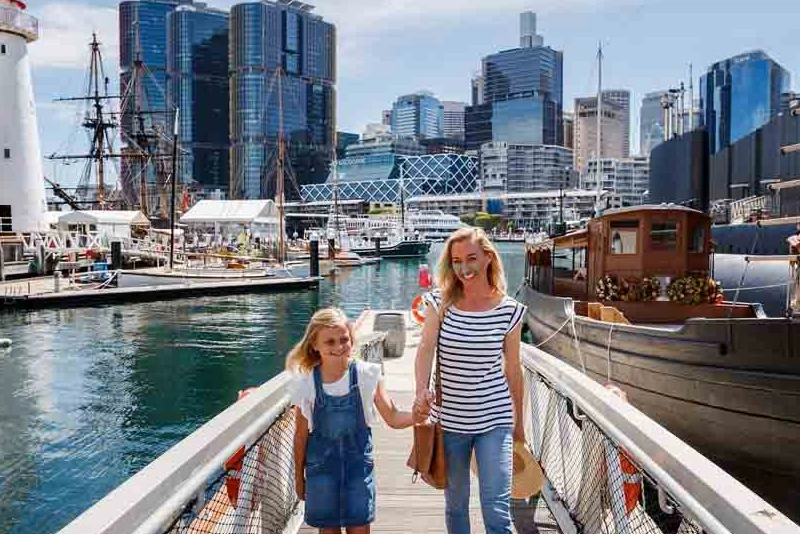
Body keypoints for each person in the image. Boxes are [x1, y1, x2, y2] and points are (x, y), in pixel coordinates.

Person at [413, 227, 527, 534]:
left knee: (496, 510)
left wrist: (519, 426)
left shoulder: (510, 310)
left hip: (495, 420)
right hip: (449, 422)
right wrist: (421, 390)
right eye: (457, 261)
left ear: (488, 257)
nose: (464, 268)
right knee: (456, 505)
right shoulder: (439, 303)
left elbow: (513, 370)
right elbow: (425, 349)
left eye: (472, 258)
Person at [288, 308, 423, 534]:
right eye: (330, 342)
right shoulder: (306, 383)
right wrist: (299, 480)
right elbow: (300, 436)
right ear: (314, 345)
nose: (339, 347)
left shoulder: (367, 374)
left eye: (344, 339)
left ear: (352, 339)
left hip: (358, 472)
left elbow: (392, 417)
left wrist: (415, 416)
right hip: (321, 474)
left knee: (360, 529)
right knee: (328, 531)